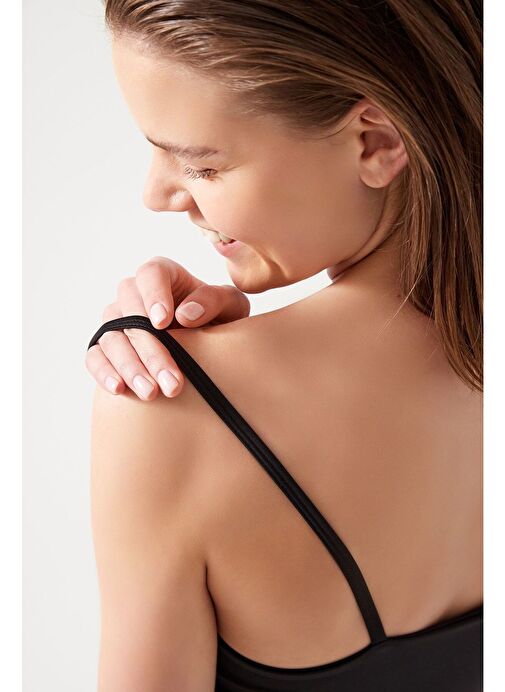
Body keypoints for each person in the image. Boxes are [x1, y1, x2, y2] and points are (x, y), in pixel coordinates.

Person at [86, 1, 483, 690]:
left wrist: (199, 372)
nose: (155, 194)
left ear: (375, 143)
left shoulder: (172, 411)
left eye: (202, 166)